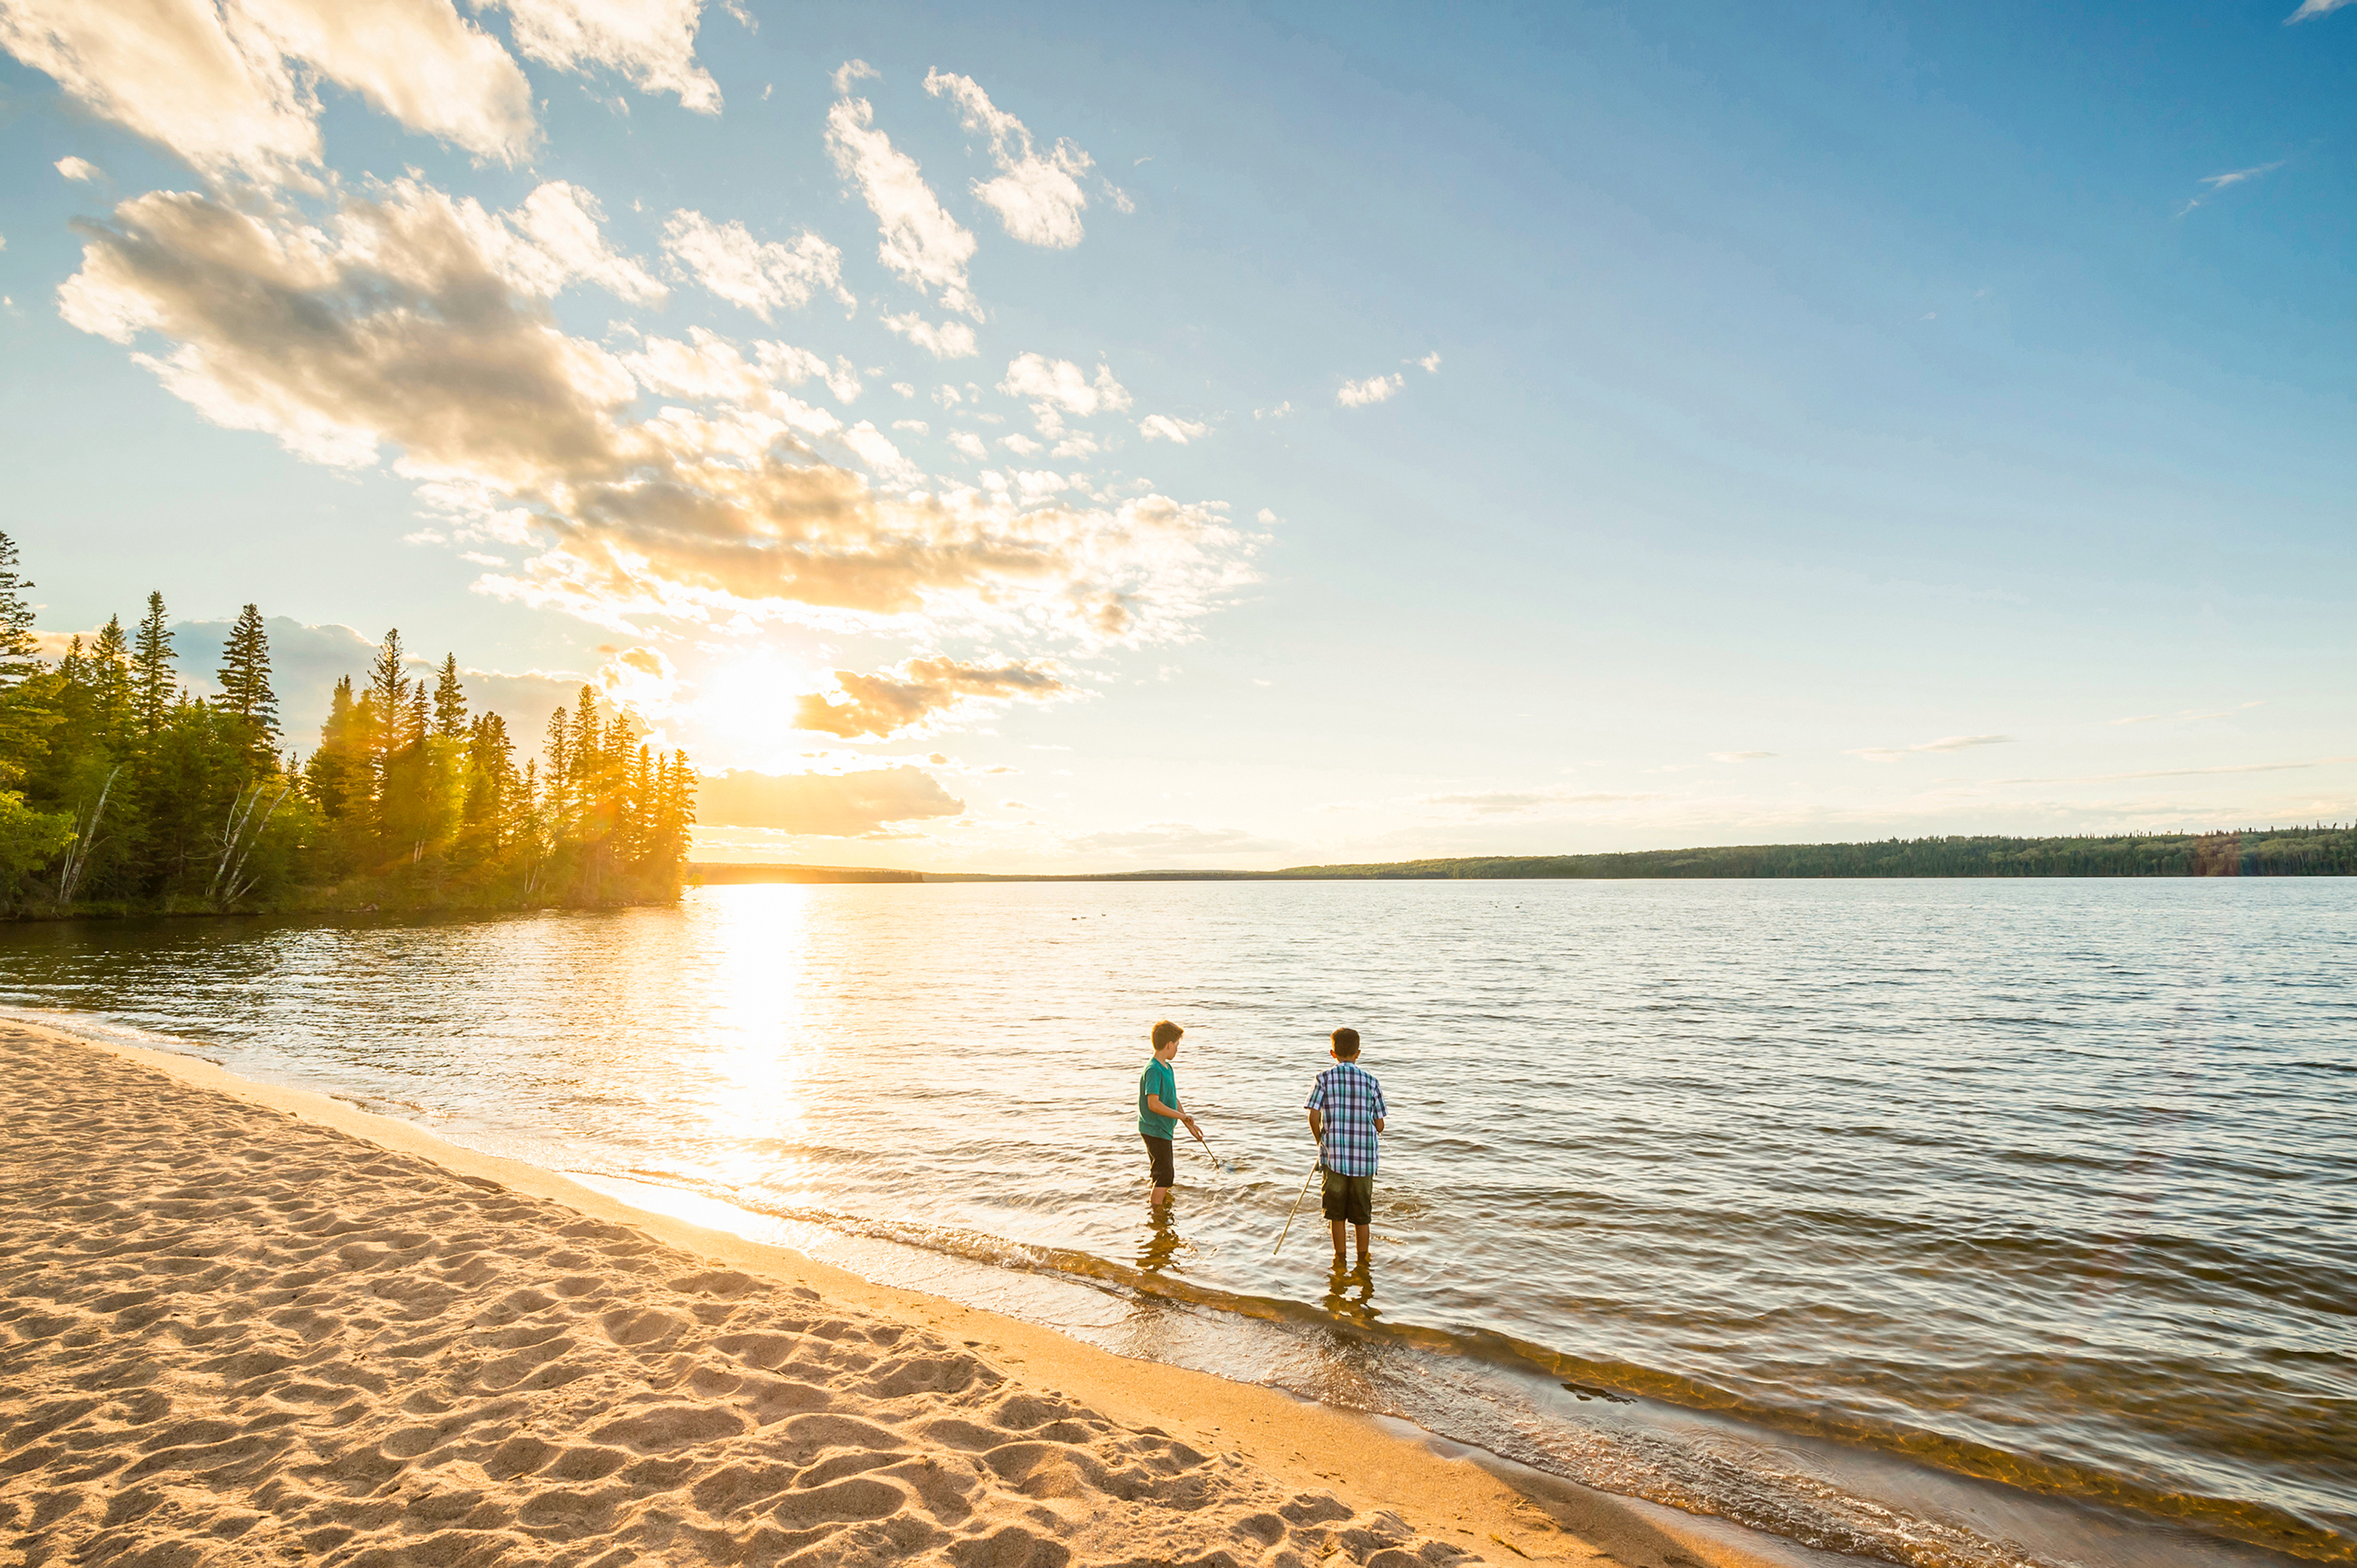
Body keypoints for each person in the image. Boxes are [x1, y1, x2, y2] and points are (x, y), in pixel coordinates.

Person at [1305, 1026, 1386, 1269]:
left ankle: (1339, 1259)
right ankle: (1363, 1261)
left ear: (1333, 1053)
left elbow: (1312, 1115)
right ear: (1358, 1053)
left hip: (1334, 1157)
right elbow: (1380, 1125)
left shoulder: (1323, 1078)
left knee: (1336, 1214)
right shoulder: (1371, 1082)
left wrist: (1321, 1141)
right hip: (1364, 1160)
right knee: (1362, 1215)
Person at [1138, 1019, 1200, 1207]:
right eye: (1177, 1045)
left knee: (1159, 1171)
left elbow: (1172, 1098)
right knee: (1165, 1175)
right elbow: (1153, 1104)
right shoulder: (1154, 1070)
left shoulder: (1167, 1068)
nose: (1177, 1050)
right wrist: (1181, 1117)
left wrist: (1188, 1123)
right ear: (1169, 1045)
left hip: (1162, 1129)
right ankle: (1157, 1215)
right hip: (1154, 1129)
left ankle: (1158, 1204)